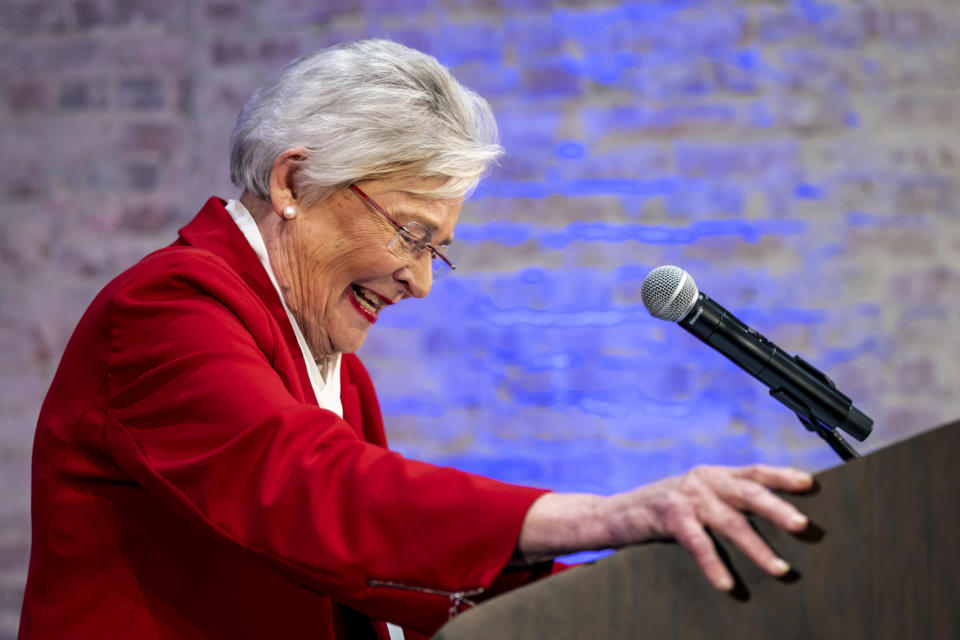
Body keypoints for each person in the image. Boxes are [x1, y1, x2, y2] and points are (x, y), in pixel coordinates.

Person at [20, 39, 813, 639]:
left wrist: (638, 611)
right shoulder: (165, 308)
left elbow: (385, 566)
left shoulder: (339, 371)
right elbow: (305, 488)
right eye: (410, 234)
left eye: (436, 250)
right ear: (294, 184)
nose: (420, 281)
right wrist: (598, 516)